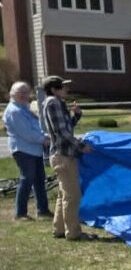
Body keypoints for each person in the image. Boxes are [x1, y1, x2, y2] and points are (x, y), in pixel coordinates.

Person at [41, 75, 95, 241]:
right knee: (73, 195)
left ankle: (59, 229)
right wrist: (81, 146)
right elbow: (62, 133)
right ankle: (73, 232)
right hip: (63, 155)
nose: (67, 89)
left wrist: (76, 115)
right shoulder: (53, 103)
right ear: (53, 89)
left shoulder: (55, 103)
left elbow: (66, 127)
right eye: (63, 86)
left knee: (64, 194)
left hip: (60, 155)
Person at [3, 81, 52, 221]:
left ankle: (42, 210)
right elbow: (26, 133)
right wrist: (43, 140)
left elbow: (35, 128)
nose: (25, 95)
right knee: (27, 179)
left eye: (27, 91)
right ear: (13, 94)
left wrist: (45, 136)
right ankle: (20, 213)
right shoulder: (14, 111)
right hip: (23, 149)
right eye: (21, 92)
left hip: (34, 149)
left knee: (39, 180)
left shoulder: (24, 108)